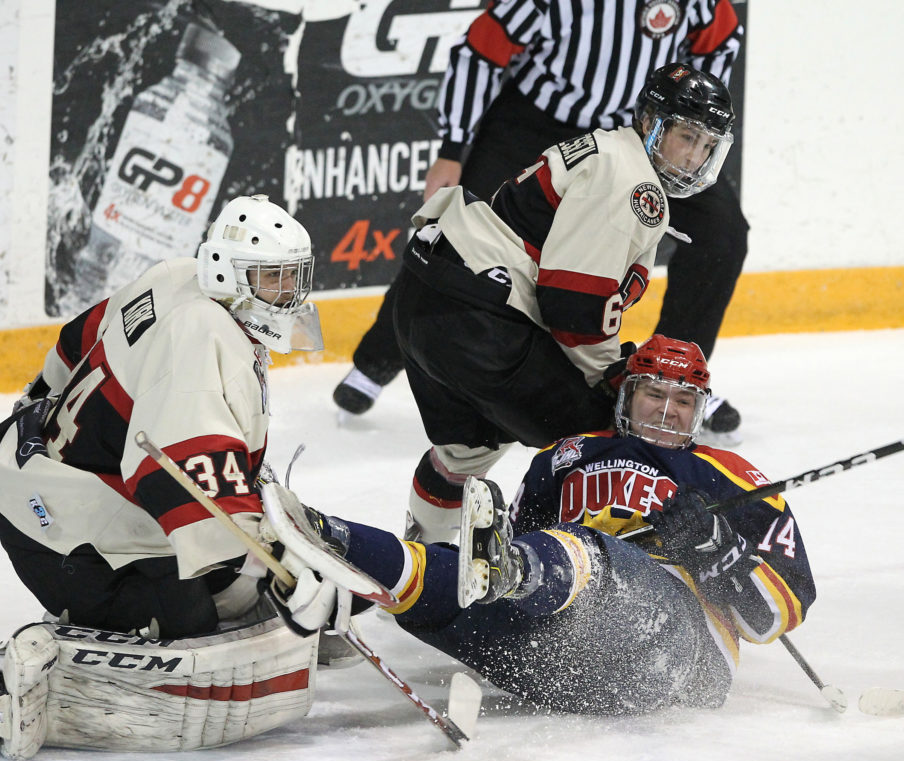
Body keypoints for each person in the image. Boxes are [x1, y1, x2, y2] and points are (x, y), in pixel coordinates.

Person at [0, 195, 344, 758]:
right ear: (227, 271)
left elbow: (77, 338)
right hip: (57, 529)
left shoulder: (176, 277)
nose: (287, 294)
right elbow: (181, 480)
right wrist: (279, 563)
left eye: (292, 277)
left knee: (232, 590)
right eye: (271, 278)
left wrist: (44, 395)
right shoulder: (204, 334)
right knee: (190, 619)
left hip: (54, 486)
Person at [310, 334, 815, 713]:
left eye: (683, 401)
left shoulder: (734, 477)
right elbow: (519, 545)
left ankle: (519, 573)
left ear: (699, 409)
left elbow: (771, 618)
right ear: (626, 396)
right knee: (448, 584)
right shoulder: (567, 457)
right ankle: (326, 541)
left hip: (681, 661)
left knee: (576, 555)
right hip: (560, 662)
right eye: (654, 395)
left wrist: (714, 546)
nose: (667, 411)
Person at [334, 0, 747, 442]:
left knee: (723, 237)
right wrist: (452, 149)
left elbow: (719, 44)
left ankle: (672, 378)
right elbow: (483, 47)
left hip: (652, 138)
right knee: (465, 233)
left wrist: (690, 127)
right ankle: (376, 361)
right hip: (542, 122)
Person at [382, 62, 736, 542]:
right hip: (479, 319)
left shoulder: (610, 152)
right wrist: (615, 377)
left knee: (465, 451)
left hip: (427, 298)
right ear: (653, 123)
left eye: (707, 146)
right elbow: (573, 306)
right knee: (602, 432)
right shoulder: (633, 182)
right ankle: (570, 566)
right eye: (688, 137)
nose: (695, 157)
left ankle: (425, 567)